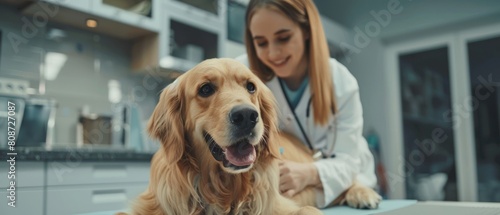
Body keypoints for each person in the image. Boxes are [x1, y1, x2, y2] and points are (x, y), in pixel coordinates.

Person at [235, 0, 378, 208]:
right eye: (261, 43)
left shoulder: (340, 81)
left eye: (283, 38)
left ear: (307, 30)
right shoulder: (242, 72)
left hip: (346, 183)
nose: (273, 53)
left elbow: (348, 162)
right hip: (285, 189)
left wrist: (309, 173)